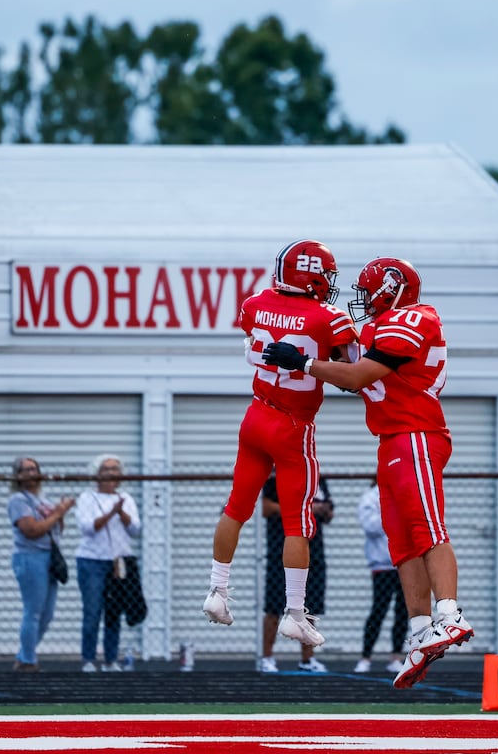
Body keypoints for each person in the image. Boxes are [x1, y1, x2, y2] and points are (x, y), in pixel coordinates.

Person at [263, 256, 473, 690]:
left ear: (392, 288)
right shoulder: (381, 327)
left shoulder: (416, 317)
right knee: (403, 545)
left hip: (416, 433)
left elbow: (359, 375)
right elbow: (349, 368)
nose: (363, 300)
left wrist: (302, 363)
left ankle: (449, 615)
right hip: (391, 438)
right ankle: (420, 633)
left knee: (428, 530)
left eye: (368, 291)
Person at [202, 240, 357, 655]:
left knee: (236, 506)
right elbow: (351, 374)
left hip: (255, 414)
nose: (328, 283)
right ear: (311, 275)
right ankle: (295, 614)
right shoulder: (331, 318)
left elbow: (262, 327)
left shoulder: (255, 303)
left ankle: (217, 591)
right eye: (324, 275)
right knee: (297, 523)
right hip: (293, 425)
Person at [74, 454, 142, 673]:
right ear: (97, 474)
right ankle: (88, 659)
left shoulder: (126, 499)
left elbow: (135, 530)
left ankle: (111, 659)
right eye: (107, 469)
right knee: (93, 611)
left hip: (118, 562)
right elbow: (87, 528)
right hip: (92, 561)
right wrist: (111, 511)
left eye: (116, 469)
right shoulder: (87, 498)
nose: (112, 473)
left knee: (114, 611)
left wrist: (121, 511)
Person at [258, 473, 332, 672]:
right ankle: (266, 657)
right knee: (273, 607)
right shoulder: (276, 478)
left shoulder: (318, 480)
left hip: (314, 553)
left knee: (311, 607)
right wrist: (303, 510)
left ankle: (307, 660)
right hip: (281, 552)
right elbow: (266, 508)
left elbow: (329, 512)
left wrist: (322, 510)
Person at [8, 455, 75, 672]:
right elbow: (32, 531)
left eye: (34, 469)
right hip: (30, 557)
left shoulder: (43, 500)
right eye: (26, 470)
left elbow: (55, 530)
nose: (31, 473)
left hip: (49, 558)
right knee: (33, 610)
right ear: (17, 475)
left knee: (47, 614)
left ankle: (24, 655)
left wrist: (59, 515)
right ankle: (28, 661)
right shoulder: (18, 500)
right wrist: (59, 513)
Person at [355, 478, 407, 674]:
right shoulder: (371, 497)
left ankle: (396, 656)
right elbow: (371, 528)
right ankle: (365, 658)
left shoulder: (405, 494)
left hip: (405, 562)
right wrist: (393, 511)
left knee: (403, 612)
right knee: (379, 610)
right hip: (382, 564)